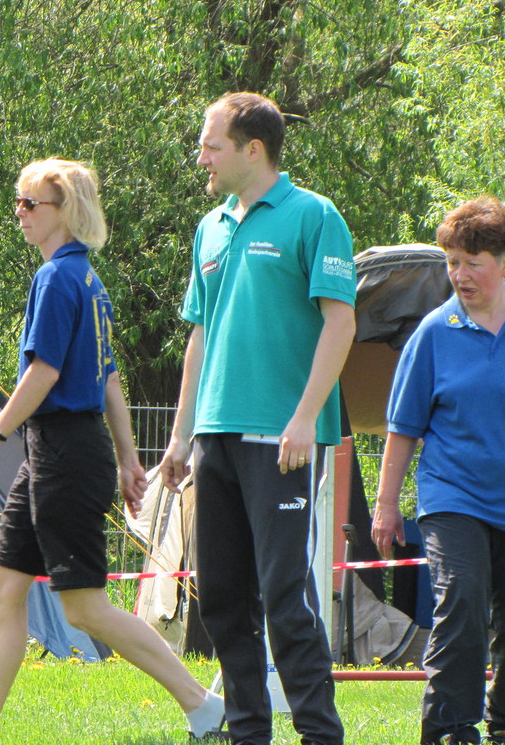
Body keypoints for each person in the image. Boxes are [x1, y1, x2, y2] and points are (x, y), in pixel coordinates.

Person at [0, 158, 225, 742]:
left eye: (29, 204)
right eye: (18, 202)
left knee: (84, 607)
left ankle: (203, 706)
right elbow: (110, 379)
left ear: (64, 212)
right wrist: (127, 459)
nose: (18, 213)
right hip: (55, 452)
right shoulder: (87, 280)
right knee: (4, 589)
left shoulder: (56, 279)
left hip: (65, 454)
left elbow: (44, 373)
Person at [158, 92, 356, 745]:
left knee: (283, 596)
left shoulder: (314, 215)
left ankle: (320, 734)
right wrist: (180, 435)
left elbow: (340, 323)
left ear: (253, 149)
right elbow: (200, 335)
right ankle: (247, 733)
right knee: (218, 596)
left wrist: (305, 417)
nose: (201, 158)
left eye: (211, 146)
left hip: (282, 438)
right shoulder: (210, 227)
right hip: (213, 436)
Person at [371, 197, 505, 745]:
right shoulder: (435, 331)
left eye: (473, 262)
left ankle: (504, 724)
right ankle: (450, 728)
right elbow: (403, 427)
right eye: (452, 262)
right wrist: (386, 506)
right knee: (463, 601)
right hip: (453, 495)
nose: (460, 274)